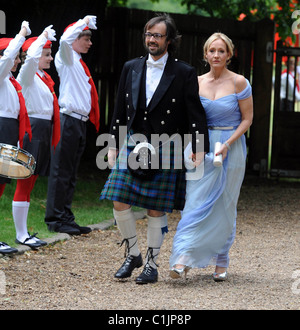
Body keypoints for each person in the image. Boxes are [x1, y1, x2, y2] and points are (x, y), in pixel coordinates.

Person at [100, 13, 209, 284]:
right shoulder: (131, 67)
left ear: (169, 40)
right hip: (134, 141)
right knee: (118, 197)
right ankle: (133, 253)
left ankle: (151, 263)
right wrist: (113, 143)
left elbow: (195, 113)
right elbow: (118, 110)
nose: (151, 39)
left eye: (157, 35)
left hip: (167, 143)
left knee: (155, 208)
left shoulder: (183, 72)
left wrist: (198, 146)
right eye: (148, 34)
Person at [169, 32, 253, 282]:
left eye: (222, 51)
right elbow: (188, 117)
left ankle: (221, 259)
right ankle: (183, 258)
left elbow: (247, 119)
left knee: (225, 203)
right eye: (212, 50)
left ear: (229, 54)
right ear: (205, 54)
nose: (216, 55)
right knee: (195, 201)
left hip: (231, 145)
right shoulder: (194, 82)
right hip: (200, 146)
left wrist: (227, 143)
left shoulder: (239, 82)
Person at [45, 16, 100, 235]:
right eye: (86, 38)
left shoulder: (77, 61)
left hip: (78, 122)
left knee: (71, 173)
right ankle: (55, 219)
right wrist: (83, 21)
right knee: (61, 171)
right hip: (67, 120)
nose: (90, 42)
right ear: (76, 38)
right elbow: (65, 39)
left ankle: (66, 216)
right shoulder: (66, 57)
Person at [12, 25, 59, 249]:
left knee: (31, 183)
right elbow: (29, 60)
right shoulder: (28, 76)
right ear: (36, 53)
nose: (50, 58)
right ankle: (21, 235)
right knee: (25, 181)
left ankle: (24, 232)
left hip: (42, 130)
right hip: (32, 130)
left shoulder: (43, 78)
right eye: (47, 54)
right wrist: (40, 38)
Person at [0, 21, 32, 254]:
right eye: (16, 57)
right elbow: (8, 55)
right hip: (1, 128)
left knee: (1, 185)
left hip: (8, 130)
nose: (18, 61)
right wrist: (20, 35)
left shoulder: (10, 82)